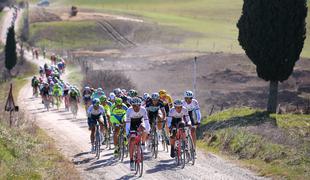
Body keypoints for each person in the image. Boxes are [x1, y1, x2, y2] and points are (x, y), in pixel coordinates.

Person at [126, 97, 150, 171]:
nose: (136, 107)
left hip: (140, 122)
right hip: (131, 123)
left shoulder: (143, 109)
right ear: (131, 106)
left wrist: (147, 130)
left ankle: (143, 144)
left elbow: (146, 121)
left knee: (144, 128)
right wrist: (128, 133)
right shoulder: (129, 110)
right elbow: (127, 123)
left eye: (137, 106)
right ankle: (131, 161)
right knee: (132, 140)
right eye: (134, 106)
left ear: (140, 105)